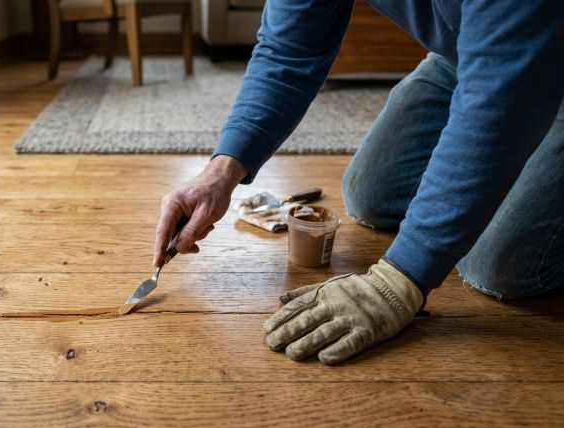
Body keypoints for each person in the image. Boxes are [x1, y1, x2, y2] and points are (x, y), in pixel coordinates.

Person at [153, 1, 564, 364]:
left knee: (496, 265)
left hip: (536, 59)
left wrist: (398, 281)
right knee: (372, 195)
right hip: (469, 54)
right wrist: (220, 173)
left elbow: (498, 96)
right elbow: (287, 51)